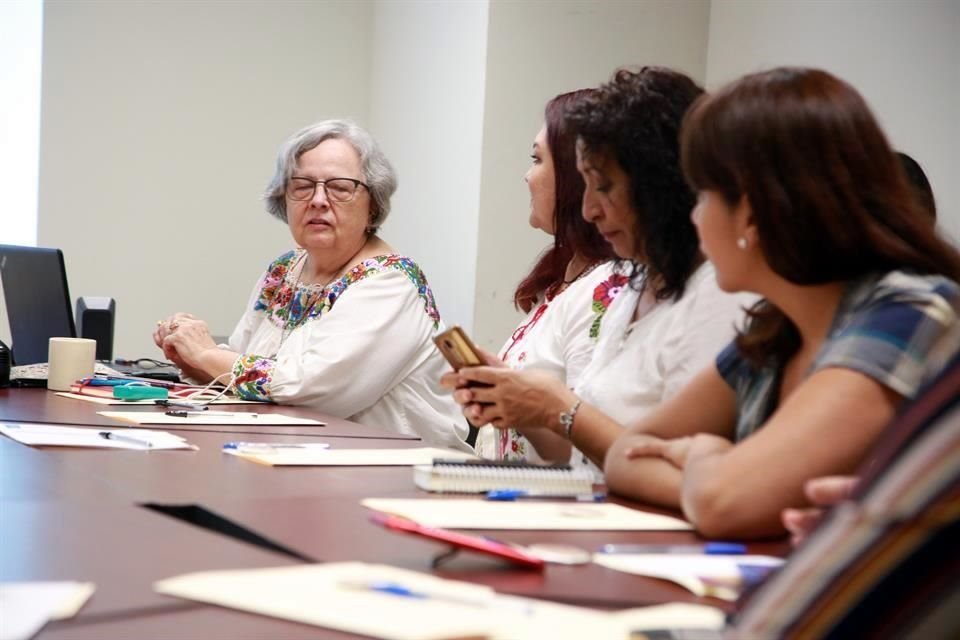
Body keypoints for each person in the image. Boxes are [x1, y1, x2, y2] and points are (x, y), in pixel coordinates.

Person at [604, 67, 960, 538]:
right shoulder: (774, 331)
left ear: (749, 214)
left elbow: (723, 502)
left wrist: (706, 457)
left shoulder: (912, 313)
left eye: (704, 196)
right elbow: (624, 454)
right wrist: (720, 479)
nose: (694, 216)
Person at [445, 67, 754, 472]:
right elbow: (579, 452)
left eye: (604, 186)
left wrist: (556, 407)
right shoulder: (629, 285)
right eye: (586, 185)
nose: (590, 210)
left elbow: (670, 466)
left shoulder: (720, 295)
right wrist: (525, 405)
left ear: (659, 184)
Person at [154, 120, 471, 451]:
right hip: (294, 463)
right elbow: (241, 376)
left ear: (373, 204)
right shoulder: (283, 272)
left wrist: (206, 353)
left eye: (340, 187)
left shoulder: (391, 282)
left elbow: (310, 393)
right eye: (302, 186)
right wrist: (190, 356)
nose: (319, 200)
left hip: (397, 481)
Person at [471, 89, 621, 463]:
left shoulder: (606, 288)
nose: (527, 175)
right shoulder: (566, 279)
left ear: (576, 179)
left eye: (537, 159)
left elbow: (582, 448)